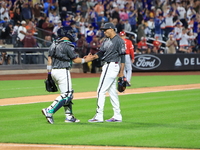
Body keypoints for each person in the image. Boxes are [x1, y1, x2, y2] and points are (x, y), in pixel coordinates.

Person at [41, 26, 93, 124]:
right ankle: (49, 110)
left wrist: (48, 74)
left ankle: (69, 116)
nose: (72, 34)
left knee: (66, 93)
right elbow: (75, 60)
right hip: (63, 71)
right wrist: (86, 60)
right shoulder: (67, 45)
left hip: (53, 71)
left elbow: (49, 59)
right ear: (66, 34)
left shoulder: (54, 43)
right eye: (71, 32)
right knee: (67, 94)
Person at [88, 22, 126, 123]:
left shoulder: (119, 41)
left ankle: (99, 116)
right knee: (112, 92)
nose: (104, 32)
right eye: (103, 30)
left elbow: (123, 56)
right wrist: (93, 57)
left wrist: (121, 72)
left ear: (112, 29)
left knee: (100, 90)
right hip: (107, 65)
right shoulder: (106, 40)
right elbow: (101, 52)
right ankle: (117, 115)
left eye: (105, 30)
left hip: (111, 65)